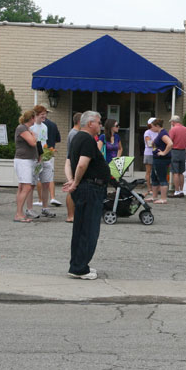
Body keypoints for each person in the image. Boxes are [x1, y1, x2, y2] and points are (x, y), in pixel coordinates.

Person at [63, 110, 110, 280]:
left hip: (84, 188)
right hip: (90, 188)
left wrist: (71, 180)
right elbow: (82, 164)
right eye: (99, 122)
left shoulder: (76, 137)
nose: (100, 126)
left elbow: (68, 162)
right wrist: (75, 182)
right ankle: (80, 268)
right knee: (89, 230)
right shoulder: (88, 139)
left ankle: (77, 264)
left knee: (80, 228)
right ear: (90, 123)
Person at [29, 105, 56, 219]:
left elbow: (44, 142)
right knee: (31, 184)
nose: (44, 116)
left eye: (45, 114)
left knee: (46, 182)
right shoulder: (31, 127)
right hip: (35, 158)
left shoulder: (45, 126)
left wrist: (48, 152)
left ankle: (45, 207)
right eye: (42, 114)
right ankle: (29, 209)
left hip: (44, 158)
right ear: (36, 115)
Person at [13, 110, 38, 223]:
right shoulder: (22, 128)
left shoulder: (26, 129)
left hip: (27, 160)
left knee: (22, 187)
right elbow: (32, 142)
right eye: (35, 117)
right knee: (27, 187)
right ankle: (18, 214)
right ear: (31, 118)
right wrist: (33, 136)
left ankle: (20, 213)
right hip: (23, 161)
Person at [149, 119, 173, 204]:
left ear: (157, 126)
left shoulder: (163, 134)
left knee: (162, 178)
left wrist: (164, 152)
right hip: (157, 159)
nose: (152, 128)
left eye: (152, 126)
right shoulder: (160, 134)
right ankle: (154, 196)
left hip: (162, 160)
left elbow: (170, 143)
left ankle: (163, 198)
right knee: (154, 177)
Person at [65, 112, 83, 223]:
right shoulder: (74, 134)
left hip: (74, 162)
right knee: (72, 189)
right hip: (73, 163)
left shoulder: (76, 133)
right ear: (79, 121)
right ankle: (70, 215)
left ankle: (74, 214)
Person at [168, 115, 186, 198]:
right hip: (183, 151)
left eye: (171, 122)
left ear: (173, 122)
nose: (171, 123)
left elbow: (170, 142)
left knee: (175, 172)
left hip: (175, 151)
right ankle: (181, 190)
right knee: (181, 172)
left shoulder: (173, 130)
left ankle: (176, 191)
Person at [43, 114, 63, 206]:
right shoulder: (53, 125)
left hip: (40, 153)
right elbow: (58, 139)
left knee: (39, 177)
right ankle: (52, 197)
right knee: (50, 176)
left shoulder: (37, 125)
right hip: (50, 153)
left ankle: (40, 199)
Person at [143, 117, 158, 195]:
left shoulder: (158, 132)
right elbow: (149, 144)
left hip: (157, 153)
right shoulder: (147, 132)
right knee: (148, 171)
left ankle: (156, 187)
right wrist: (158, 144)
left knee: (156, 171)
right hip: (149, 153)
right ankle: (149, 188)